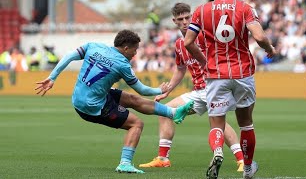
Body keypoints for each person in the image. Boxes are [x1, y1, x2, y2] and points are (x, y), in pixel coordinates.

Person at [35, 29, 194, 174]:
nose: (135, 53)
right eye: (134, 49)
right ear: (125, 48)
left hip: (81, 98)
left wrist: (52, 77)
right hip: (92, 107)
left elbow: (69, 56)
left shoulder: (94, 46)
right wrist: (160, 90)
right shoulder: (122, 65)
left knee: (131, 99)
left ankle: (173, 113)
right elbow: (142, 89)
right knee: (136, 124)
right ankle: (125, 163)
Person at [139, 3, 244, 172]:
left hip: (214, 87)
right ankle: (163, 158)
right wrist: (168, 91)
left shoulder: (205, 36)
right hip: (198, 91)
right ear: (174, 21)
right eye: (180, 19)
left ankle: (241, 160)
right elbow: (180, 69)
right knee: (165, 111)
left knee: (219, 123)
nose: (185, 21)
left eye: (188, 17)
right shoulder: (180, 44)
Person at [184, 0, 276, 179]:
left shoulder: (201, 10)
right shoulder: (244, 8)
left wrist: (204, 61)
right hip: (242, 73)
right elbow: (259, 37)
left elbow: (188, 42)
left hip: (216, 74)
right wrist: (269, 48)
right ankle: (248, 169)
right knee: (246, 123)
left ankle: (218, 151)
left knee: (217, 123)